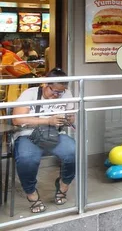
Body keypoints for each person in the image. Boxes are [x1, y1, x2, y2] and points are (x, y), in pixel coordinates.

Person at [12, 68, 76, 214]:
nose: (57, 95)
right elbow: (17, 119)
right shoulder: (30, 93)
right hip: (28, 135)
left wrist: (68, 118)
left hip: (53, 134)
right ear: (45, 84)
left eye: (60, 92)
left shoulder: (66, 93)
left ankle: (63, 185)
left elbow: (72, 116)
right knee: (27, 159)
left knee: (73, 150)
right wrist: (48, 120)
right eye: (54, 91)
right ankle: (31, 193)